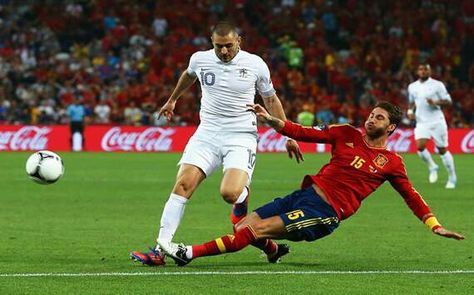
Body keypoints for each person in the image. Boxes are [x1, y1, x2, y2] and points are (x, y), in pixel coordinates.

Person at [156, 101, 464, 266]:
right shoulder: (346, 133)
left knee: (253, 230)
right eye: (371, 114)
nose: (371, 120)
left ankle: (188, 253)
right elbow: (304, 132)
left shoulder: (392, 163)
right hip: (303, 195)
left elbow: (411, 195)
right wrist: (272, 120)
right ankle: (274, 251)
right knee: (242, 229)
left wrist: (434, 225)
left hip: (324, 212)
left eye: (379, 118)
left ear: (391, 127)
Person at [130, 22, 303, 266]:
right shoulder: (200, 59)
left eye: (229, 46)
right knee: (182, 184)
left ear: (239, 41)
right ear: (212, 42)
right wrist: (172, 101)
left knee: (229, 194)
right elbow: (188, 75)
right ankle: (161, 247)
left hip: (241, 135)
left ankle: (242, 195)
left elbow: (271, 99)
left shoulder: (255, 64)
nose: (223, 52)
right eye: (218, 46)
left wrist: (288, 135)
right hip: (207, 133)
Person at [407, 64, 457, 189]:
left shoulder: (437, 85)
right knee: (420, 147)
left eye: (426, 69)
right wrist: (410, 112)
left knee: (442, 149)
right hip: (421, 121)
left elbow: (449, 101)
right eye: (421, 69)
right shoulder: (412, 87)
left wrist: (436, 102)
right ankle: (432, 166)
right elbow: (412, 102)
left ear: (430, 71)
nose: (423, 71)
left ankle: (452, 177)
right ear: (417, 71)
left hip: (436, 121)